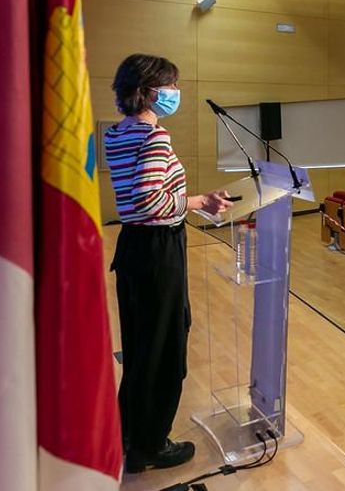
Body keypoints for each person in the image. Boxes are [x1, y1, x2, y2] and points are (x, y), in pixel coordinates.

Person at [106, 54, 233, 473]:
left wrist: (185, 201)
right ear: (149, 91)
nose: (176, 92)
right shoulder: (153, 137)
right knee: (166, 349)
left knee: (141, 347)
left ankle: (127, 435)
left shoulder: (116, 133)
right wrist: (199, 201)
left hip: (133, 247)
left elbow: (135, 201)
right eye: (171, 85)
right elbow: (148, 202)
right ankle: (151, 445)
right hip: (159, 250)